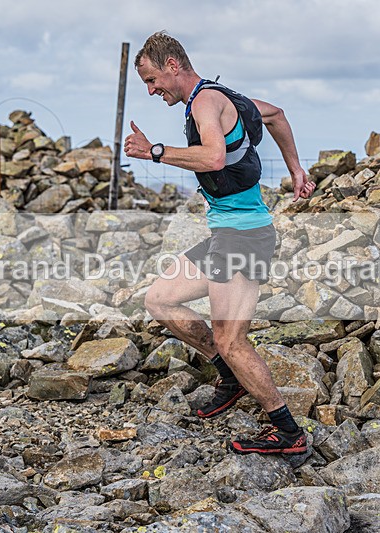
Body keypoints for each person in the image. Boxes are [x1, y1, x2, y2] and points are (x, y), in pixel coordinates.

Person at [124, 31, 316, 455]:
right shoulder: (225, 97)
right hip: (226, 232)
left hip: (244, 236)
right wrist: (296, 169)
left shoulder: (207, 102)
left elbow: (212, 158)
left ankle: (287, 432)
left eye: (153, 80)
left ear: (173, 65)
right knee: (160, 300)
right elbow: (277, 115)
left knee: (232, 339)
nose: (152, 90)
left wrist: (154, 151)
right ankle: (229, 376)